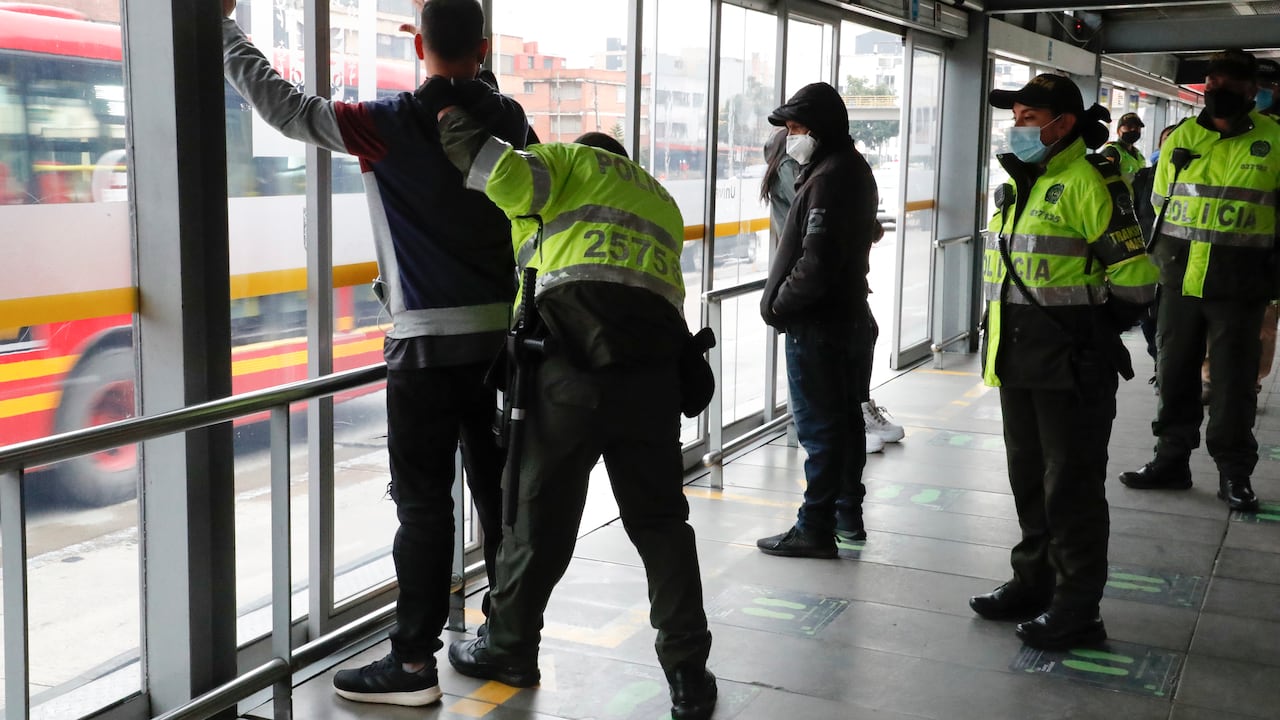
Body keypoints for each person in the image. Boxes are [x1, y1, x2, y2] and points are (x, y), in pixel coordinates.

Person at [222, 0, 529, 706]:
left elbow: (286, 108)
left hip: (424, 348)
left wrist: (223, 29)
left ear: (418, 45)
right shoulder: (511, 121)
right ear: (484, 49)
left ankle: (413, 665)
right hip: (502, 347)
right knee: (501, 496)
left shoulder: (387, 122)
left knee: (423, 509)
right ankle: (508, 639)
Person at [430, 101, 716, 719]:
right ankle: (689, 675)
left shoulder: (562, 165)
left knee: (536, 518)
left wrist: (451, 108)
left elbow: (490, 166)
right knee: (661, 524)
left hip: (568, 372)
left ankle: (509, 648)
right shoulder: (660, 199)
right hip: (653, 381)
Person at [968, 73, 1158, 650]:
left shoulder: (1090, 182)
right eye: (1015, 118)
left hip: (1071, 364)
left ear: (1063, 124)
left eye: (1028, 118)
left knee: (1070, 489)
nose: (1017, 128)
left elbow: (1137, 281)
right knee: (1028, 479)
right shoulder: (1021, 184)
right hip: (1016, 359)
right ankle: (1033, 583)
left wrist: (1091, 331)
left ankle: (1078, 608)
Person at [1119, 49, 1280, 513]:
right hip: (1179, 283)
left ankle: (1234, 473)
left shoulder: (1274, 140)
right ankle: (1171, 461)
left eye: (1229, 86)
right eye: (1211, 84)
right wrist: (1156, 263)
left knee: (1233, 384)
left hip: (1240, 288)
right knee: (1173, 376)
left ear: (1252, 91)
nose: (1217, 92)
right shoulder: (1183, 137)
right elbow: (1157, 205)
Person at [753, 82, 880, 558]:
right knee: (845, 423)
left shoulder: (828, 177)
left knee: (820, 429)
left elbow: (816, 262)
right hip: (848, 316)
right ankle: (847, 518)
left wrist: (779, 304)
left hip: (819, 324)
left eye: (797, 128)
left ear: (820, 129)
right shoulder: (851, 167)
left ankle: (815, 527)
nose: (792, 138)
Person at [760, 127, 904, 455]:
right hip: (809, 276)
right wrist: (778, 304)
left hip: (824, 274)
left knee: (861, 335)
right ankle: (840, 423)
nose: (798, 135)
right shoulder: (793, 167)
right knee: (823, 356)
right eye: (794, 129)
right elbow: (816, 218)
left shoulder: (816, 168)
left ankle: (855, 415)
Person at [1099, 112, 1147, 182]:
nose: (1133, 130)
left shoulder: (1138, 154)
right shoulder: (1112, 152)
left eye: (1137, 128)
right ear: (1118, 131)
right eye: (1129, 127)